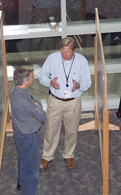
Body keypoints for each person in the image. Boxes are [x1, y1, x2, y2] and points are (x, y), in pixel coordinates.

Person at [39, 37, 91, 170]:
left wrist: (78, 85)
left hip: (73, 102)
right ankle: (47, 156)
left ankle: (69, 154)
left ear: (74, 50)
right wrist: (50, 82)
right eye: (62, 51)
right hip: (55, 101)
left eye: (67, 52)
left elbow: (87, 83)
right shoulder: (52, 58)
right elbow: (42, 76)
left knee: (72, 131)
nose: (64, 55)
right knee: (51, 130)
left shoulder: (81, 61)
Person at [10, 66, 46, 195]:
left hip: (20, 133)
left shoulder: (15, 91)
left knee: (23, 160)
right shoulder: (24, 99)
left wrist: (36, 107)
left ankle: (20, 183)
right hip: (29, 136)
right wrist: (36, 108)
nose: (34, 78)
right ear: (25, 80)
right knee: (31, 170)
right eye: (32, 77)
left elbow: (37, 105)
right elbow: (42, 116)